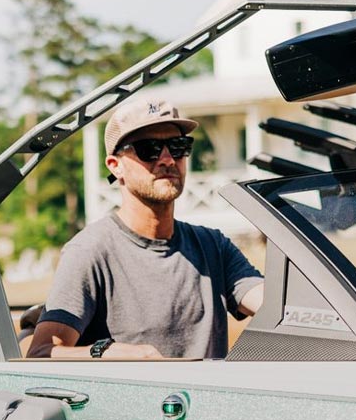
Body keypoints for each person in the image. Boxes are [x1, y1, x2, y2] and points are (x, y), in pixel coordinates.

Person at [28, 97, 264, 360]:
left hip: (208, 400)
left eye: (178, 146)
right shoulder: (89, 251)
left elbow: (274, 303)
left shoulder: (213, 246)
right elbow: (41, 353)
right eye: (148, 148)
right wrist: (107, 352)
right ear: (115, 166)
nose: (167, 159)